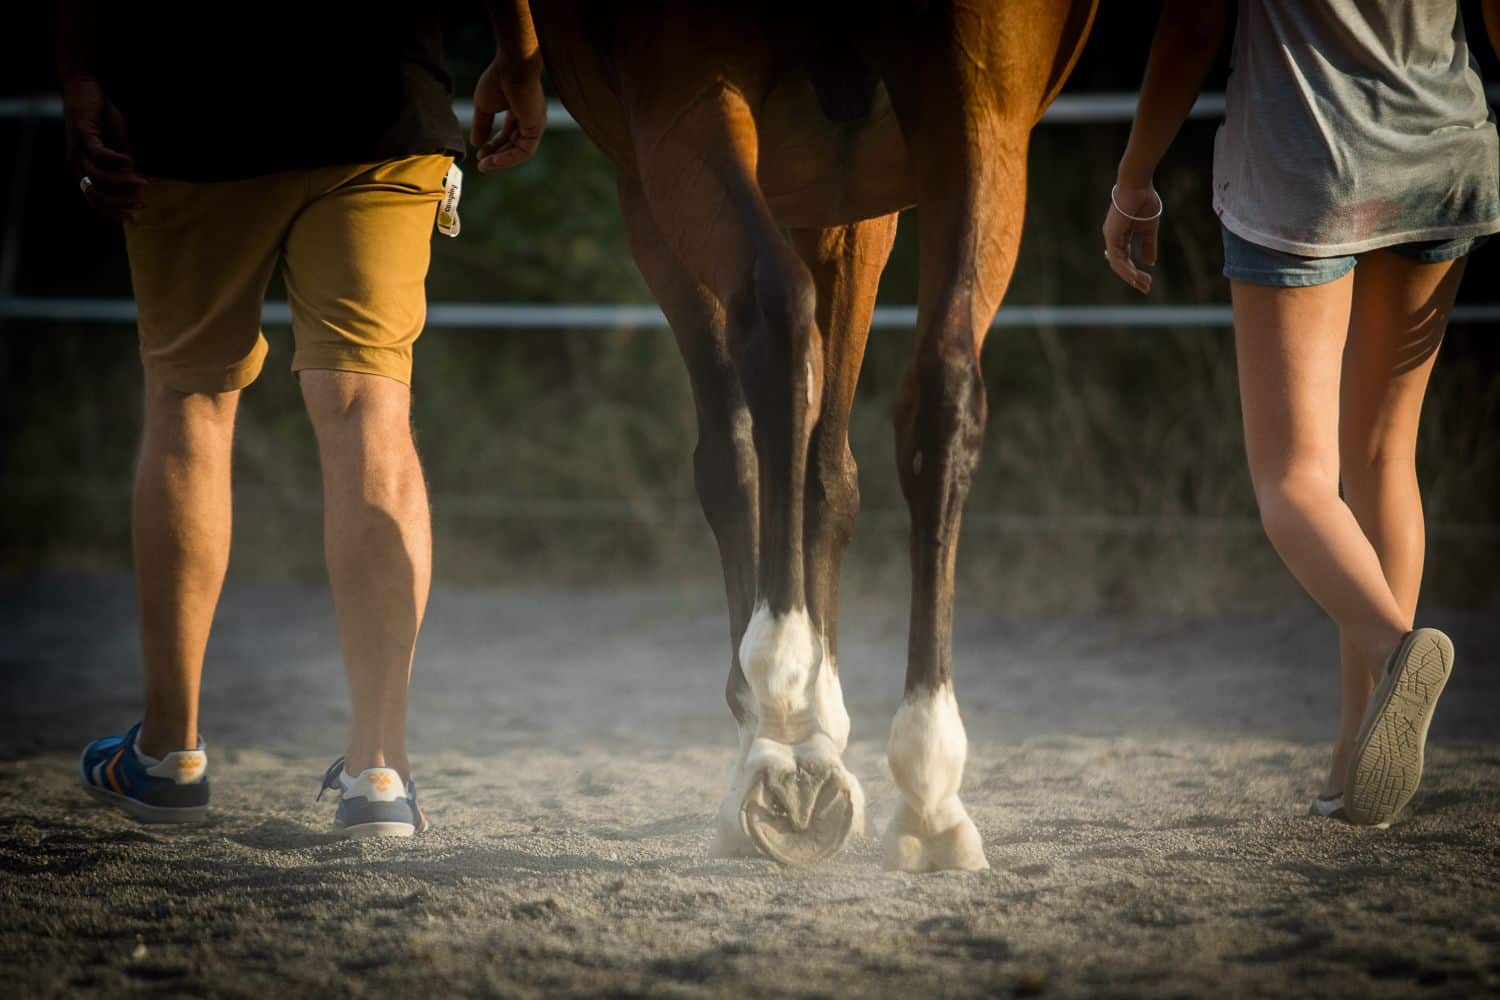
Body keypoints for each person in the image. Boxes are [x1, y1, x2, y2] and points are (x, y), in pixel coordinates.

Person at [60, 1, 546, 836]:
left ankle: (168, 752)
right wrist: (521, 57)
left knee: (190, 402)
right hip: (380, 102)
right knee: (369, 408)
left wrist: (78, 71)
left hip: (191, 106)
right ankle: (378, 771)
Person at [1103, 0, 1500, 826]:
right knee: (1385, 456)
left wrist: (1135, 173)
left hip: (1304, 165)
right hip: (1445, 153)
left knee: (1292, 480)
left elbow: (1191, 23)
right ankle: (1357, 755)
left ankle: (1395, 651)